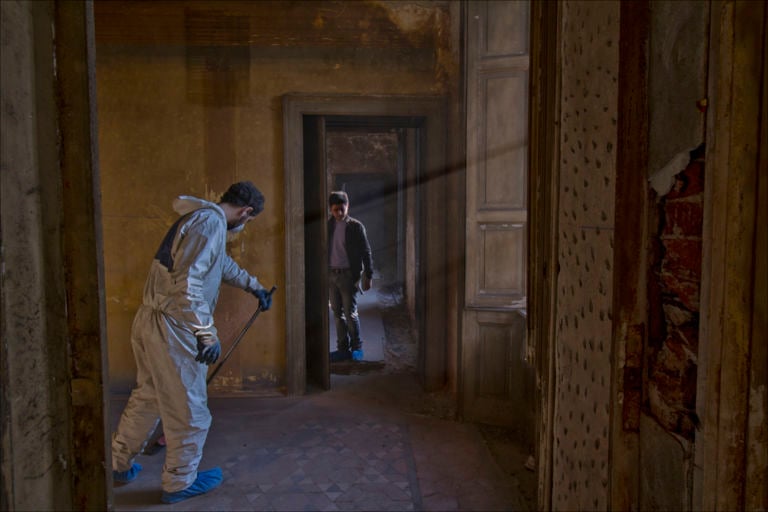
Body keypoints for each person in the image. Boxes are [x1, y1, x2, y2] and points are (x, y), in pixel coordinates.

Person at [111, 181, 273, 504]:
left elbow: (218, 264)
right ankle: (180, 481)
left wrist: (254, 287)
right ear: (246, 212)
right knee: (190, 410)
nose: (244, 225)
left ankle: (118, 463)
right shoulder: (210, 223)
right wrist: (206, 333)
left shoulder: (200, 219)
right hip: (175, 325)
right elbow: (189, 282)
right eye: (248, 221)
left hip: (151, 319)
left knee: (149, 396)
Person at [327, 190, 374, 362]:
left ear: (347, 207)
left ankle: (357, 349)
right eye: (335, 210)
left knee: (350, 313)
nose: (339, 213)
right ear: (330, 210)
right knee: (337, 314)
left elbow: (366, 251)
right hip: (331, 275)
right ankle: (342, 349)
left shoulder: (355, 226)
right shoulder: (328, 226)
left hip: (348, 276)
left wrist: (368, 275)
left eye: (342, 209)